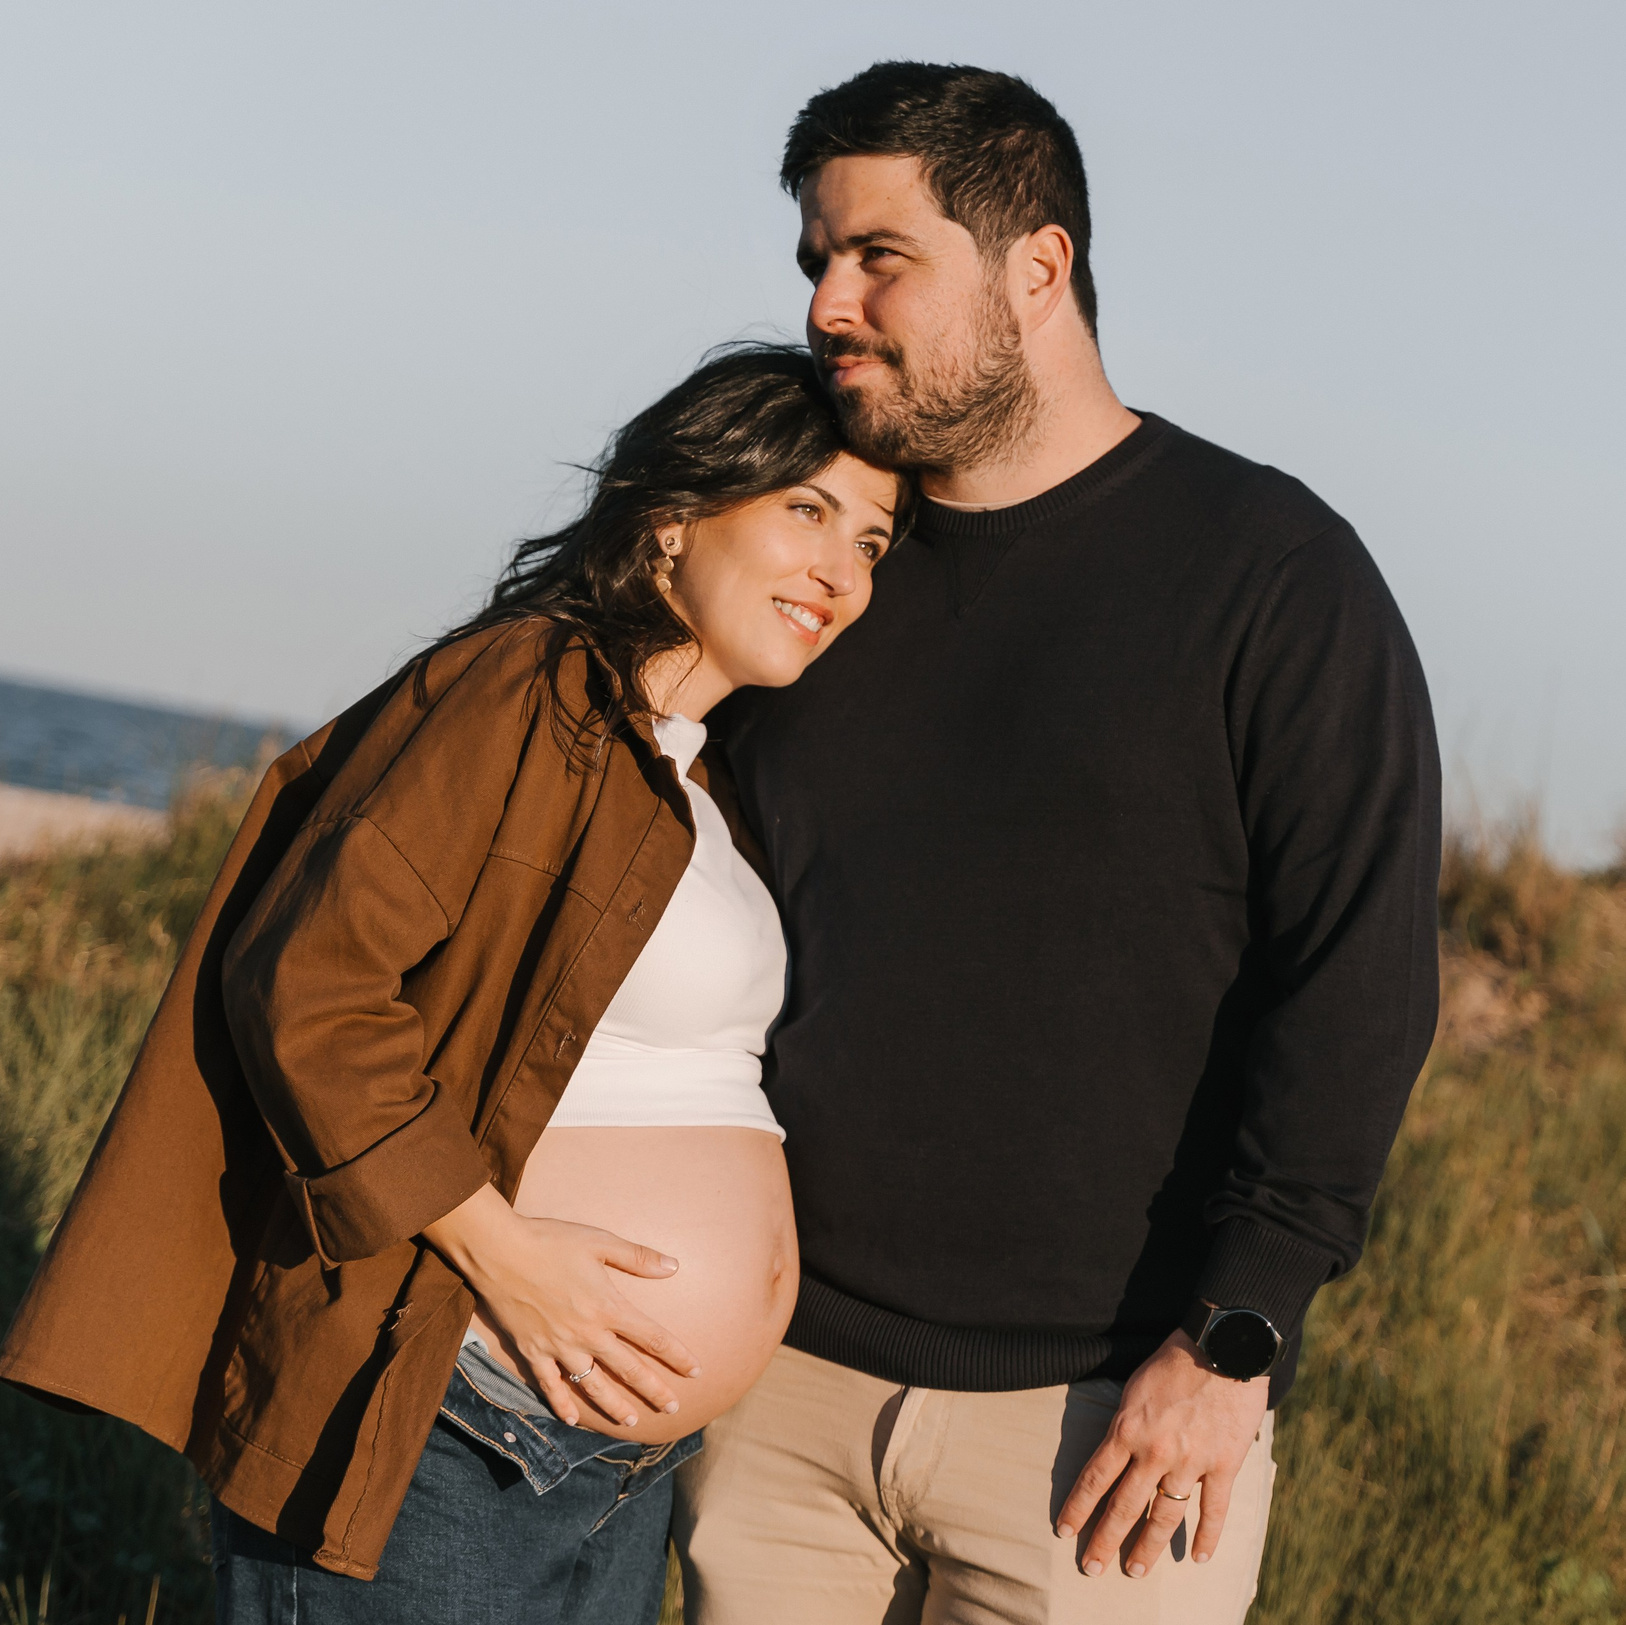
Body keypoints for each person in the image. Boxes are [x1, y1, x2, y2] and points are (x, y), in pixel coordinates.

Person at [673, 63, 1442, 1625]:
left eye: (879, 256)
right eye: (816, 259)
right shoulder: (820, 566)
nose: (827, 305)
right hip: (774, 1397)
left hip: (1106, 1431)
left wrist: (1232, 1338)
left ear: (1037, 267)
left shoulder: (1273, 577)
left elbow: (1356, 982)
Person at [0, 345, 904, 1624]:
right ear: (672, 517)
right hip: (458, 1422)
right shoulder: (529, 686)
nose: (841, 571)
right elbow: (308, 981)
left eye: (871, 541)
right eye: (807, 509)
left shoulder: (702, 786)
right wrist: (506, 1252)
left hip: (619, 1470)